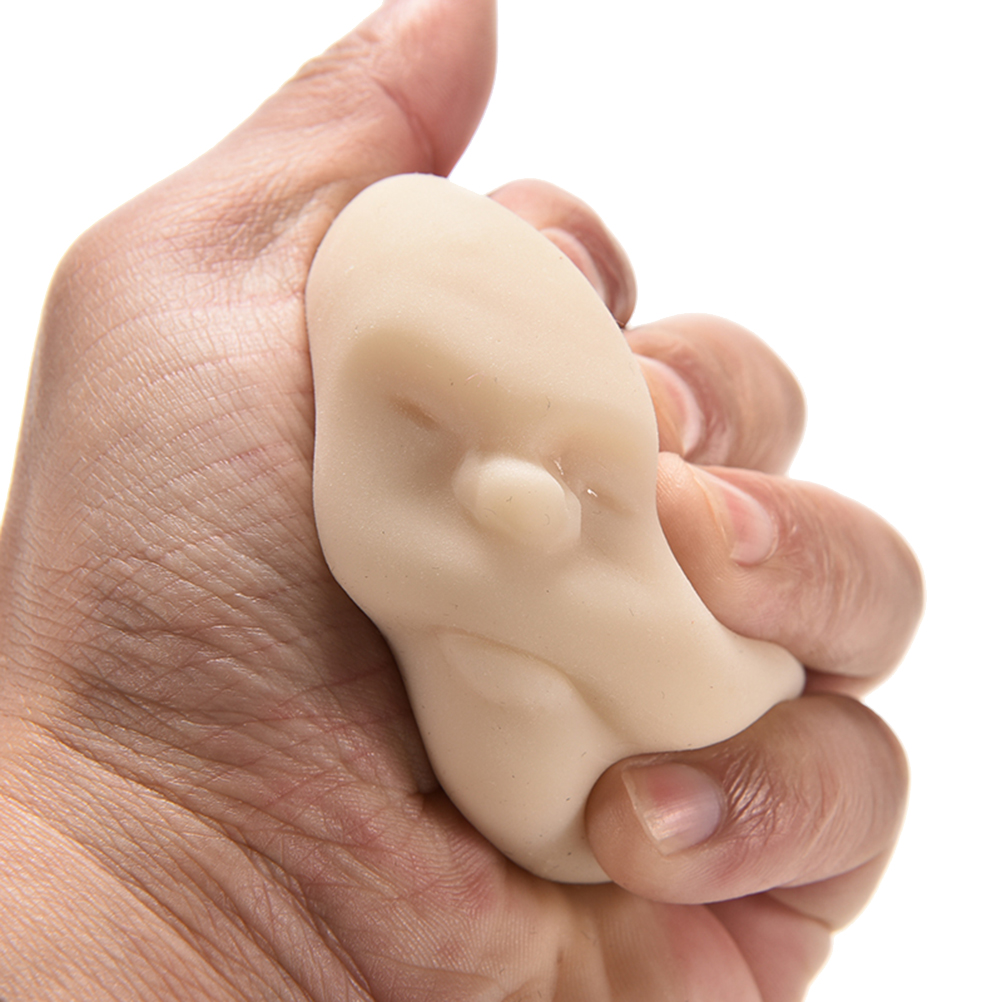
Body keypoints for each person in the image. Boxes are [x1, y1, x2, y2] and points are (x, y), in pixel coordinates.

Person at [0, 0, 921, 998]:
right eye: (425, 427)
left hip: (611, 736)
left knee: (669, 677)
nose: (516, 492)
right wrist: (134, 852)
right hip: (544, 727)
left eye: (573, 451)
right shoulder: (447, 558)